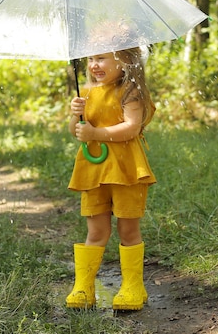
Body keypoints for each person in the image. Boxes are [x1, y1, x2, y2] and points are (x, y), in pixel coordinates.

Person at [66, 46, 156, 311]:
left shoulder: (130, 92)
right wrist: (75, 116)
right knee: (96, 231)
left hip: (127, 170)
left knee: (127, 229)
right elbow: (78, 132)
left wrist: (96, 134)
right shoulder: (86, 93)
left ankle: (132, 287)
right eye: (91, 58)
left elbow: (131, 128)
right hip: (94, 171)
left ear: (124, 61)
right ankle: (84, 287)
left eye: (102, 58)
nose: (94, 64)